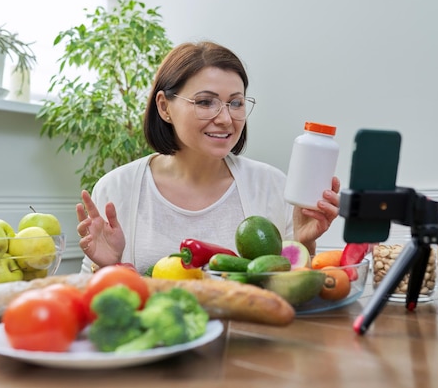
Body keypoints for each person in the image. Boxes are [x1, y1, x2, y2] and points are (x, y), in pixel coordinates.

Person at [76, 41, 341, 274]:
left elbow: (293, 292)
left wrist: (305, 243)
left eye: (236, 103)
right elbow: (95, 302)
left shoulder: (272, 186)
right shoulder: (116, 188)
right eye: (205, 102)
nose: (226, 119)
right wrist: (108, 267)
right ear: (164, 107)